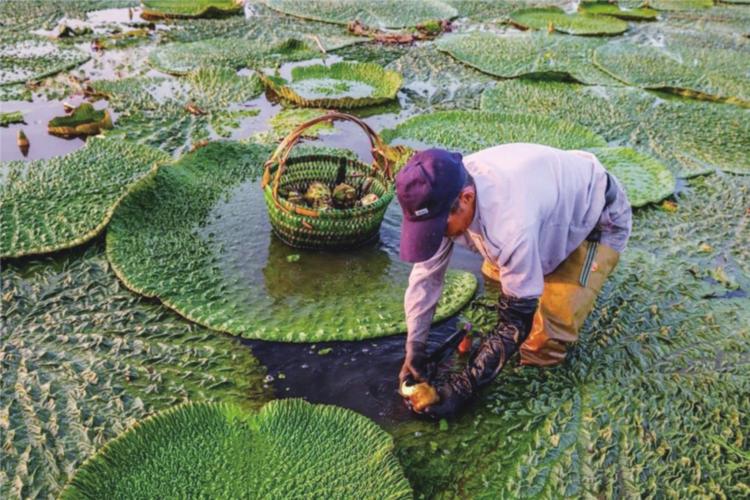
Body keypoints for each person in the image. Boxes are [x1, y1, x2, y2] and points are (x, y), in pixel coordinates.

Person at [396, 145, 632, 418]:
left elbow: (515, 321)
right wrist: (415, 346)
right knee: (501, 279)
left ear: (467, 197)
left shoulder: (510, 225)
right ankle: (532, 277)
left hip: (593, 220)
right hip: (542, 211)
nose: (435, 236)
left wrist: (464, 386)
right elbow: (426, 278)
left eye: (438, 229)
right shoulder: (444, 189)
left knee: (540, 344)